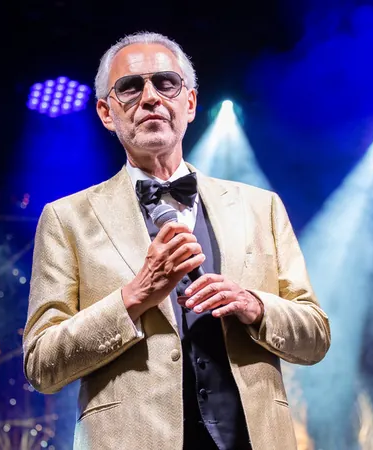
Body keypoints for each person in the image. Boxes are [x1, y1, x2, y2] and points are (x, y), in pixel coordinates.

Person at [23, 31, 330, 450]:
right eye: (130, 87)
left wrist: (254, 305)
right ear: (106, 113)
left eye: (165, 83)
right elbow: (41, 363)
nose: (150, 97)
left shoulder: (261, 207)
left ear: (189, 102)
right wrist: (134, 296)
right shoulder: (66, 219)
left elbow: (315, 336)